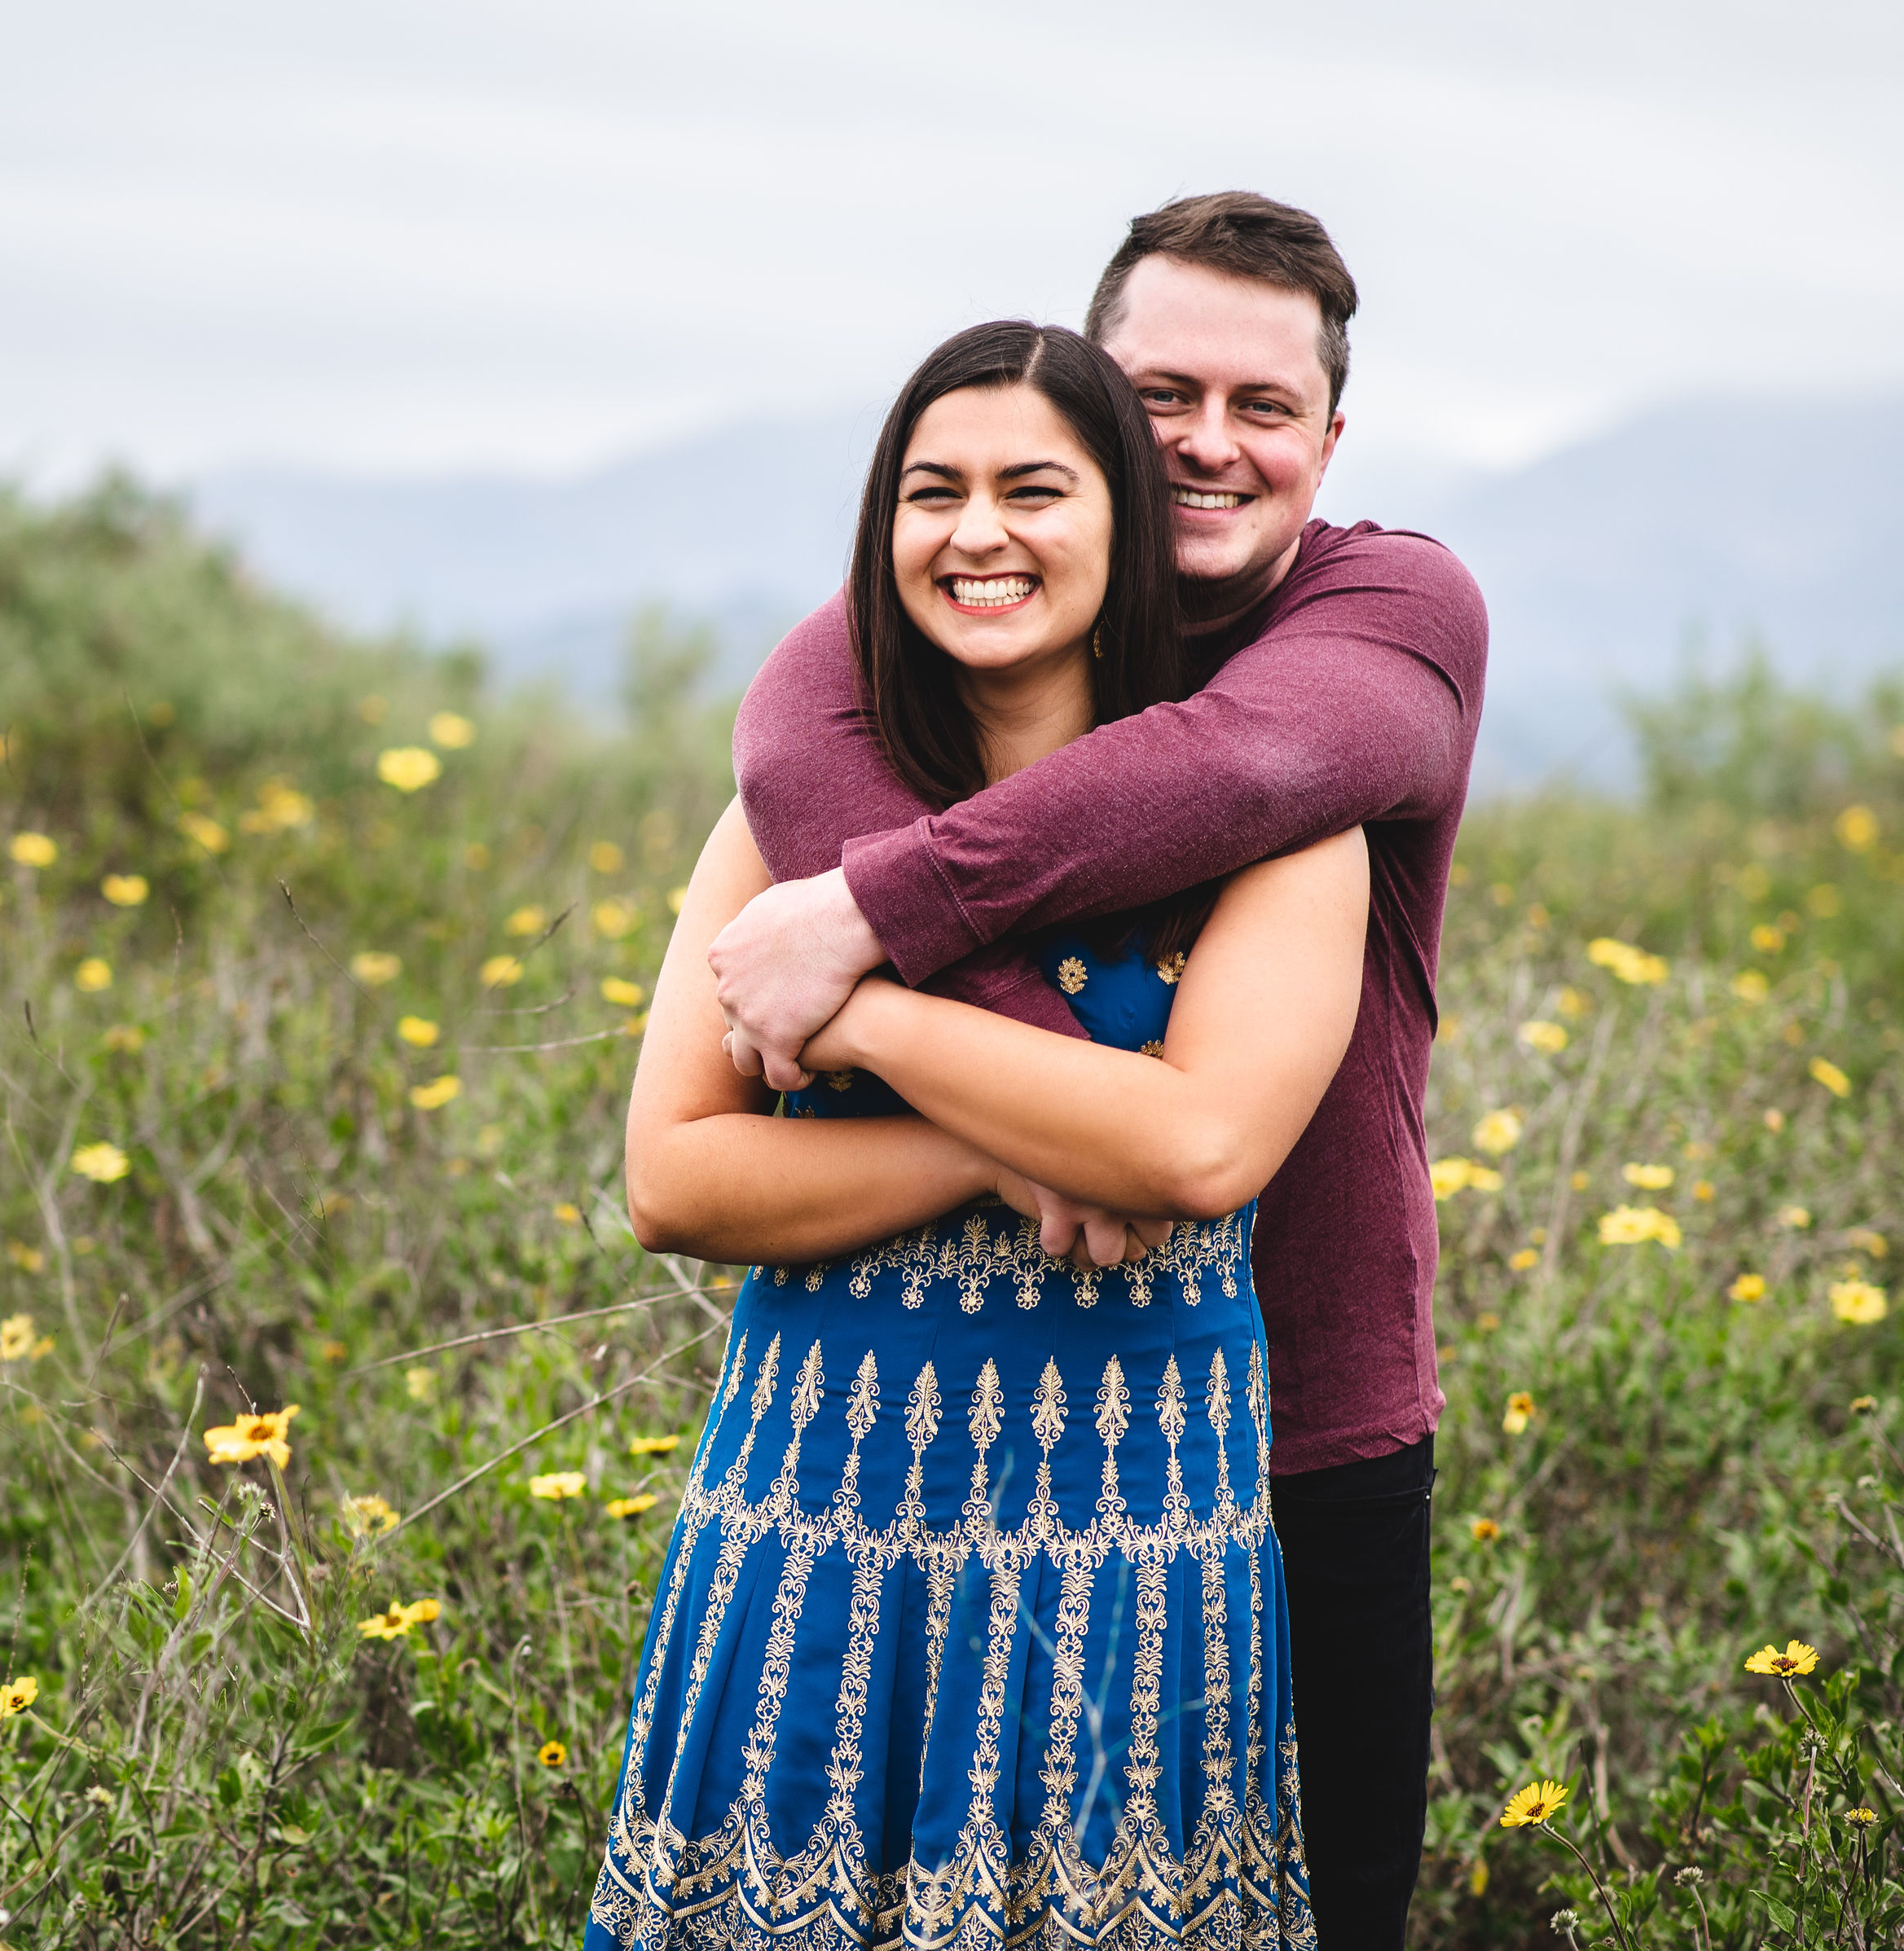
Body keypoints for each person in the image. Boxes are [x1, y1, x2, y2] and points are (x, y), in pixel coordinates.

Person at [708, 192, 1486, 1948]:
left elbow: (1242, 762)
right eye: (1161, 395)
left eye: (1265, 406)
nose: (1212, 444)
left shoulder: (1389, 611)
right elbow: (787, 729)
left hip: (1303, 1427)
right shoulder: (963, 603)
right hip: (955, 1450)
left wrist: (886, 953)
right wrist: (1056, 1121)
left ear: (1330, 437)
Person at [587, 318, 1350, 1949]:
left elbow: (1200, 1151)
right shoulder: (784, 816)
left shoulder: (1276, 819)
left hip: (1130, 1548)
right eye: (932, 493)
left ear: (1126, 525)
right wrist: (1001, 1146)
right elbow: (672, 1174)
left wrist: (861, 1014)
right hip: (824, 1521)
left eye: (1034, 489)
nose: (978, 533)